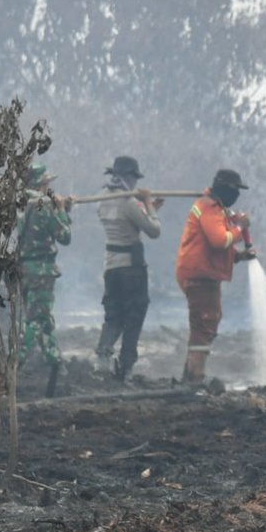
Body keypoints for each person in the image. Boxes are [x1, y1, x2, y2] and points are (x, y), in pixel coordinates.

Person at [175, 168, 254, 386]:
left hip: (203, 273)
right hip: (199, 276)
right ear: (226, 189)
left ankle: (190, 376)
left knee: (206, 324)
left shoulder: (217, 210)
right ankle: (195, 379)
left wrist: (238, 256)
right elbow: (220, 241)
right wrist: (240, 227)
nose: (237, 196)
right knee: (204, 324)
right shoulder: (209, 208)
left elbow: (217, 248)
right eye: (235, 190)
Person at [94, 156, 162, 380]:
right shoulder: (128, 203)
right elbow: (154, 230)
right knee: (134, 316)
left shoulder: (101, 199)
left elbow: (130, 219)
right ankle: (126, 366)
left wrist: (147, 208)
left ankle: (102, 357)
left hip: (111, 268)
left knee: (113, 315)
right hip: (131, 270)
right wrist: (149, 206)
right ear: (130, 177)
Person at [17, 163, 72, 378]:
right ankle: (13, 364)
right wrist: (61, 211)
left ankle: (55, 363)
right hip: (42, 270)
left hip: (25, 269)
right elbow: (65, 236)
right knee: (35, 322)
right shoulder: (41, 204)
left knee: (44, 318)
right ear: (41, 184)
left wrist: (62, 208)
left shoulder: (22, 203)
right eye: (47, 183)